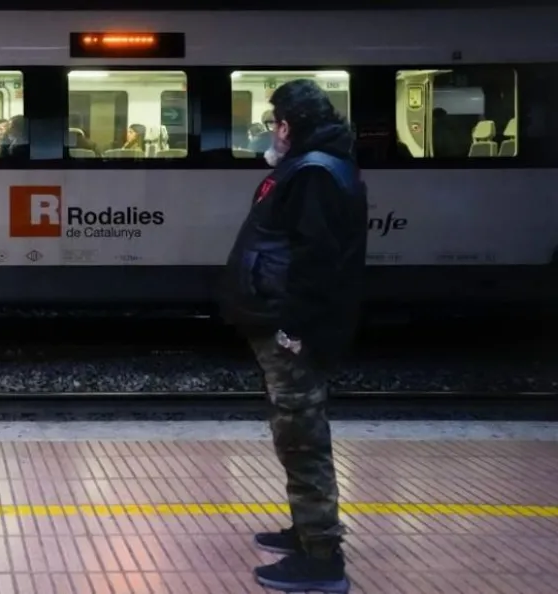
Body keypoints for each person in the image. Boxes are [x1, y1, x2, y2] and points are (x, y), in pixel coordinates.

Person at [218, 78, 367, 594]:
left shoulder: (314, 173)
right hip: (285, 323)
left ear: (286, 126)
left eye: (273, 123)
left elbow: (316, 264)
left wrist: (292, 330)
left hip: (292, 331)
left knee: (302, 439)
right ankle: (306, 530)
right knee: (294, 434)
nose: (271, 133)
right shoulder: (314, 167)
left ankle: (322, 557)